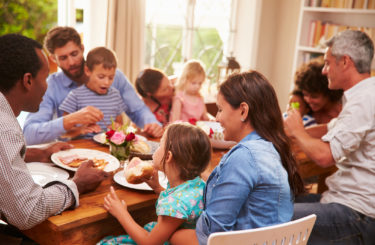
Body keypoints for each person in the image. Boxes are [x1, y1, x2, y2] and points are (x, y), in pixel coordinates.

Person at [171, 71, 305, 245]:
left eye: (220, 109)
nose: (217, 118)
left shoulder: (245, 157)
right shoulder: (271, 147)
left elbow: (212, 234)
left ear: (243, 111)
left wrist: (171, 235)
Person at [0, 34, 107, 241]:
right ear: (28, 80)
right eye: (45, 77)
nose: (48, 85)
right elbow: (28, 211)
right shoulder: (4, 128)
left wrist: (40, 154)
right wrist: (77, 184)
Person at [284, 30, 375, 244]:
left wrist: (297, 131)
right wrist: (289, 131)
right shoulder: (364, 94)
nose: (324, 71)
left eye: (327, 63)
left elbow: (325, 157)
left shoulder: (364, 100)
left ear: (345, 62)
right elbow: (329, 129)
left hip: (357, 215)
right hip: (344, 202)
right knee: (273, 202)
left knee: (269, 218)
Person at [23, 26, 162, 145]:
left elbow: (137, 109)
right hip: (72, 154)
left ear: (82, 48)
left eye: (74, 54)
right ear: (53, 59)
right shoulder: (52, 85)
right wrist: (69, 120)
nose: (71, 62)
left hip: (110, 151)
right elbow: (28, 134)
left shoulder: (114, 77)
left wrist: (152, 124)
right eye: (63, 58)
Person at [98, 123, 211, 245]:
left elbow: (149, 242)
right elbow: (184, 206)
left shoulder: (174, 205)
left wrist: (121, 213)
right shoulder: (198, 184)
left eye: (160, 145)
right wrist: (157, 188)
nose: (156, 149)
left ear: (167, 156)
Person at [59, 47, 126, 139]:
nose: (107, 82)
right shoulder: (76, 96)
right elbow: (63, 133)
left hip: (106, 148)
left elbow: (120, 124)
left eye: (111, 77)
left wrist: (118, 128)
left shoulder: (115, 95)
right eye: (101, 77)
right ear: (87, 71)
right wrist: (81, 130)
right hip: (83, 148)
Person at [294, 58, 343, 124]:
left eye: (314, 96)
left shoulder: (342, 114)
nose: (308, 100)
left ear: (329, 93)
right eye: (305, 94)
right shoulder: (305, 108)